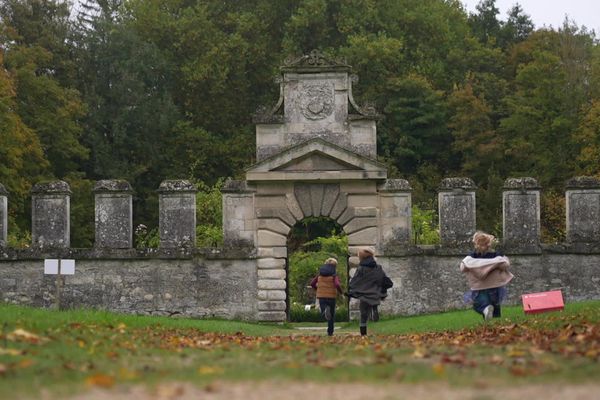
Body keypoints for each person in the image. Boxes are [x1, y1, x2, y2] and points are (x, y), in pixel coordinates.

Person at [460, 231, 514, 321]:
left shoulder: (472, 256)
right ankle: (493, 322)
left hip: (479, 287)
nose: (489, 245)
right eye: (486, 244)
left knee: (479, 304)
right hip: (495, 286)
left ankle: (486, 309)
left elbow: (463, 267)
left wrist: (478, 265)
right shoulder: (496, 255)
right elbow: (505, 264)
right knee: (495, 305)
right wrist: (494, 264)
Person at [348, 247, 390, 336]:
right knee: (373, 301)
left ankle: (363, 334)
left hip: (364, 293)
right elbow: (383, 279)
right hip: (375, 292)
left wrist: (352, 288)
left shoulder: (361, 268)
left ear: (361, 258)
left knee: (363, 313)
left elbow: (356, 280)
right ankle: (374, 308)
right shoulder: (378, 267)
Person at [310, 257, 343, 336]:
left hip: (322, 296)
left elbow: (312, 283)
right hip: (331, 297)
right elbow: (337, 284)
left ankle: (325, 310)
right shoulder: (334, 276)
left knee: (324, 312)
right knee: (331, 315)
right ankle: (330, 332)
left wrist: (317, 289)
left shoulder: (319, 275)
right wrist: (341, 292)